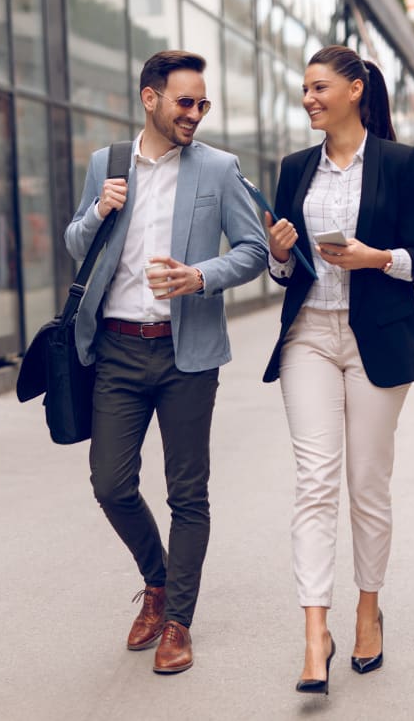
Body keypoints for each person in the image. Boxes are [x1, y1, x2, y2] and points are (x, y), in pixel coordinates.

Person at [65, 50, 268, 674]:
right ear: (150, 98)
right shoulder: (108, 163)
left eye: (202, 103)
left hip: (187, 355)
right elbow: (77, 245)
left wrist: (199, 276)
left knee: (188, 493)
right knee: (110, 484)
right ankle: (156, 581)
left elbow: (255, 249)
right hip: (118, 350)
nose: (196, 114)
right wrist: (99, 210)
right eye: (186, 102)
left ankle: (178, 620)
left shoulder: (218, 168)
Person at [262, 45, 414, 694]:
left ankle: (368, 609)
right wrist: (279, 255)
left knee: (367, 483)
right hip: (308, 333)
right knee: (315, 482)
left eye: (319, 87)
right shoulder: (293, 168)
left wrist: (374, 258)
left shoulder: (398, 163)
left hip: (376, 342)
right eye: (304, 89)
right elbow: (284, 272)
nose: (309, 98)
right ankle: (315, 633)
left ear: (355, 89)